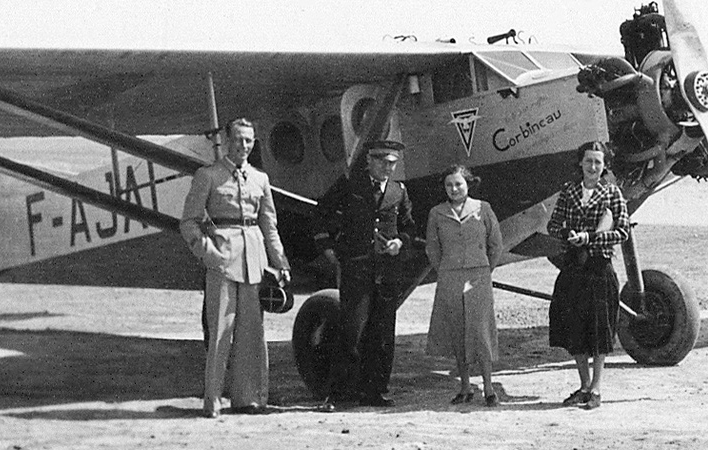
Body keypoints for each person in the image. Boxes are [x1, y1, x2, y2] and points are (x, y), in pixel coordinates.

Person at [180, 118, 291, 418]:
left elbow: (269, 225)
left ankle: (249, 399)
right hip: (222, 261)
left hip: (255, 262)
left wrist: (280, 262)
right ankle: (213, 399)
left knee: (252, 335)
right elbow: (189, 222)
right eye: (239, 140)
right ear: (228, 141)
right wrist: (209, 254)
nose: (244, 146)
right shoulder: (209, 176)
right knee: (220, 333)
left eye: (249, 141)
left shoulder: (260, 179)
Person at [313, 139, 417, 411]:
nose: (387, 167)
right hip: (356, 268)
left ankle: (376, 391)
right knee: (352, 330)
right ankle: (339, 393)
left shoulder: (398, 192)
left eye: (391, 163)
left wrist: (400, 243)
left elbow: (409, 227)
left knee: (383, 334)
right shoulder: (350, 184)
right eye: (381, 161)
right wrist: (328, 249)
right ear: (369, 161)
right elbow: (321, 213)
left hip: (387, 271)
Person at [546, 140, 631, 410]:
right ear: (580, 163)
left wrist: (591, 237)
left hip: (598, 267)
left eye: (598, 161)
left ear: (604, 165)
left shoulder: (613, 193)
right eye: (588, 161)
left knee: (598, 329)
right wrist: (568, 234)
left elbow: (623, 231)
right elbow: (553, 224)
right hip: (573, 266)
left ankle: (596, 389)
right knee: (574, 327)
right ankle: (583, 385)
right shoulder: (569, 191)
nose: (592, 166)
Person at [424, 165, 504, 406]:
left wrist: (484, 269)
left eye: (458, 184)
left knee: (480, 331)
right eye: (449, 185)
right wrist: (446, 270)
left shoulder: (483, 208)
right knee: (457, 331)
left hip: (478, 276)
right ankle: (465, 386)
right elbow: (432, 248)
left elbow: (496, 244)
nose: (454, 189)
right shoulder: (437, 213)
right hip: (450, 277)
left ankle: (489, 388)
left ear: (468, 184)